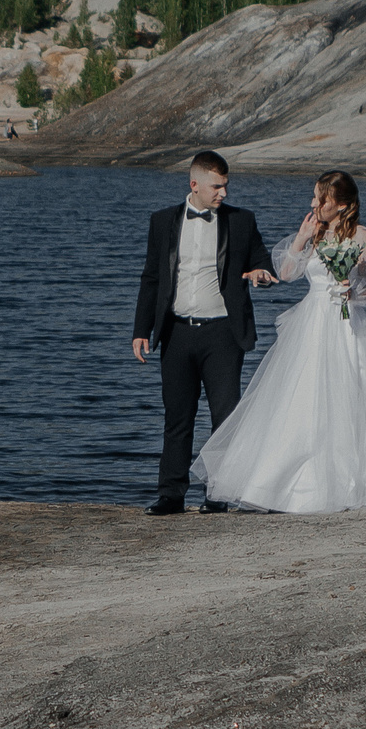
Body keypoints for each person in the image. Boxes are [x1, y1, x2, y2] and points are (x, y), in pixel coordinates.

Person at [193, 169, 366, 513]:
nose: (314, 204)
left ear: (342, 205)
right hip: (311, 326)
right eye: (315, 196)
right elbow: (287, 274)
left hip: (346, 327)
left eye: (322, 199)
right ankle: (286, 488)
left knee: (350, 400)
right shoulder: (314, 232)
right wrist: (301, 238)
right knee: (300, 400)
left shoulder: (363, 237)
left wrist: (353, 289)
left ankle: (349, 486)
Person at [132, 150, 277, 514]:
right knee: (177, 417)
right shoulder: (162, 221)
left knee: (224, 417)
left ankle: (218, 494)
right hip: (176, 332)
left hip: (223, 334)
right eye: (216, 186)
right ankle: (171, 495)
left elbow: (261, 261)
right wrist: (141, 329)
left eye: (226, 186)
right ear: (194, 184)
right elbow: (151, 278)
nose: (223, 193)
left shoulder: (242, 221)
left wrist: (261, 274)